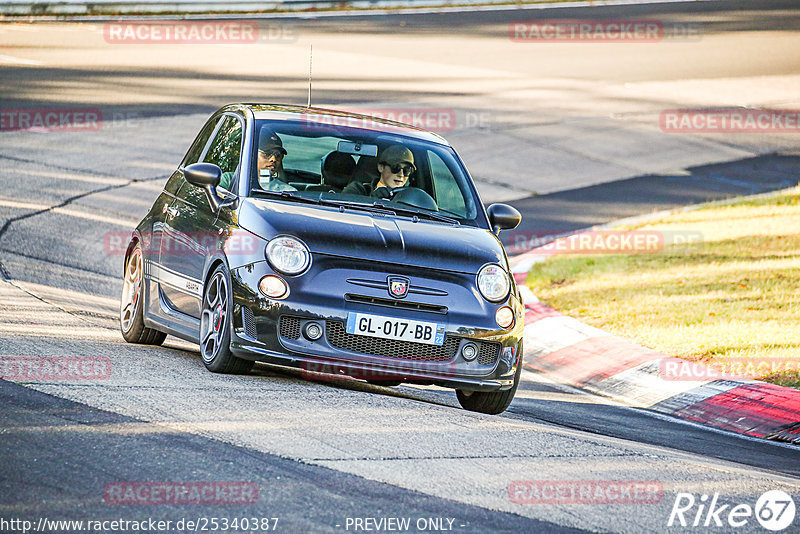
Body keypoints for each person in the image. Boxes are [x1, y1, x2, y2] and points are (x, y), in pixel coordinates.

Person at [343, 144, 415, 198]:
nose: (401, 174)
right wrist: (372, 199)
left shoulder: (413, 198)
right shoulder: (358, 190)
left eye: (406, 170)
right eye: (395, 168)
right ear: (381, 167)